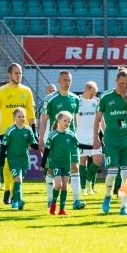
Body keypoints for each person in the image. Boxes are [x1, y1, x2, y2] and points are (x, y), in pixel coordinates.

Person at [0, 63, 37, 205]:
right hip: (5, 131)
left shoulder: (26, 91)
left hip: (24, 133)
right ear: (9, 74)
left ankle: (10, 191)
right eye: (16, 73)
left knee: (19, 164)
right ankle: (8, 191)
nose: (19, 75)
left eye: (20, 72)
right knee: (9, 163)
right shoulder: (1, 91)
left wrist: (33, 131)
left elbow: (31, 112)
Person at [93, 68, 127, 215]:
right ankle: (107, 196)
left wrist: (125, 97)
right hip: (111, 140)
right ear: (116, 82)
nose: (124, 86)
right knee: (112, 173)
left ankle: (123, 207)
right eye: (122, 83)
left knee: (126, 175)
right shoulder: (106, 97)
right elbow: (98, 119)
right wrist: (96, 137)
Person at [38, 71, 83, 210]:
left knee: (75, 167)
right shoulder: (50, 99)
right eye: (64, 80)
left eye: (69, 80)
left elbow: (75, 119)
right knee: (51, 169)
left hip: (70, 140)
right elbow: (44, 120)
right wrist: (41, 139)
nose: (67, 82)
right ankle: (50, 199)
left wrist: (75, 135)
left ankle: (77, 200)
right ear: (58, 80)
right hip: (56, 141)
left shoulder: (75, 99)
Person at [42, 111, 78, 216]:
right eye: (65, 120)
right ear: (58, 120)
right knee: (58, 185)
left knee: (65, 186)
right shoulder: (53, 135)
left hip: (66, 163)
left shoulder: (70, 134)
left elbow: (79, 144)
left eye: (69, 121)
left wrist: (93, 146)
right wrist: (42, 164)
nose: (67, 123)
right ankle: (53, 204)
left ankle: (62, 209)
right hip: (55, 163)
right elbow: (47, 150)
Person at [1, 107, 38, 210]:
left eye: (23, 117)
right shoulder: (10, 130)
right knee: (17, 178)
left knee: (19, 181)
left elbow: (33, 143)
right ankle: (20, 200)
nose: (21, 118)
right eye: (19, 116)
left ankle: (15, 202)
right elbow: (4, 146)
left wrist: (40, 146)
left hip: (24, 160)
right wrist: (1, 159)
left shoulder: (28, 130)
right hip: (13, 159)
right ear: (14, 117)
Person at [77, 81, 103, 195]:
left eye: (95, 93)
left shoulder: (97, 101)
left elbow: (101, 119)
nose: (93, 96)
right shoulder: (77, 101)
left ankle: (88, 181)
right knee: (83, 160)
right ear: (86, 89)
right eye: (91, 93)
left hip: (94, 135)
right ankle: (83, 188)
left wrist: (104, 133)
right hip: (81, 135)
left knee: (97, 159)